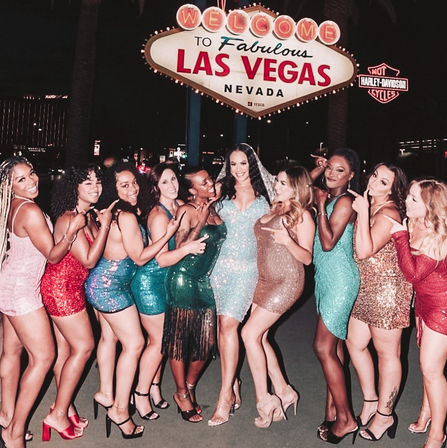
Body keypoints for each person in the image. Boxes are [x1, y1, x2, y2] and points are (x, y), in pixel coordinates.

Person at [84, 162, 179, 439]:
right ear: (113, 189)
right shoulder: (123, 216)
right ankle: (120, 410)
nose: (132, 188)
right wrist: (168, 236)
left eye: (134, 183)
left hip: (104, 282)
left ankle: (105, 393)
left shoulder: (119, 212)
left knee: (109, 339)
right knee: (135, 343)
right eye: (124, 185)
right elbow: (139, 257)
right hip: (109, 288)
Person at [0, 156, 85, 448]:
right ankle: (14, 432)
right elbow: (53, 254)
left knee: (11, 352)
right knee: (43, 358)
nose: (32, 180)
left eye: (32, 173)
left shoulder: (11, 206)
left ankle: (6, 415)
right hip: (23, 292)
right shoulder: (31, 211)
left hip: (8, 284)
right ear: (10, 186)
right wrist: (73, 230)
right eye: (21, 179)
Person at [39, 165, 115, 440]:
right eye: (87, 183)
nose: (95, 187)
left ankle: (64, 406)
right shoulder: (69, 218)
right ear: (74, 188)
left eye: (97, 182)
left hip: (70, 287)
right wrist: (106, 225)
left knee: (65, 350)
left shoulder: (87, 216)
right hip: (61, 289)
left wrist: (102, 223)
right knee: (84, 347)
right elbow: (90, 260)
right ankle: (57, 414)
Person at [130, 163, 207, 420]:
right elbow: (162, 260)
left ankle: (153, 387)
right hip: (151, 282)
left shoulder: (179, 206)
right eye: (164, 182)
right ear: (155, 187)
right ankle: (139, 394)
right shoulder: (159, 215)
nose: (172, 185)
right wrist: (188, 249)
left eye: (173, 179)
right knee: (159, 342)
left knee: (165, 340)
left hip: (169, 282)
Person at [241, 166, 315, 428]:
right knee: (259, 337)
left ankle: (265, 399)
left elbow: (307, 257)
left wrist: (288, 241)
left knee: (249, 335)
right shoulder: (273, 209)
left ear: (297, 186)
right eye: (277, 181)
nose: (277, 185)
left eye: (283, 183)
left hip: (287, 281)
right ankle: (284, 391)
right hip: (264, 280)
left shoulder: (303, 215)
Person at [345, 163, 412, 441]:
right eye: (374, 175)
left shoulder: (389, 212)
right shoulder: (369, 205)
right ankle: (371, 400)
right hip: (365, 288)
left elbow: (364, 250)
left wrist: (360, 214)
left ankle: (385, 415)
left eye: (383, 182)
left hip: (388, 291)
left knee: (388, 354)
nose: (374, 183)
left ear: (393, 190)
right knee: (354, 343)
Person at [209, 143, 273, 426]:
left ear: (252, 164)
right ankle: (233, 384)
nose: (238, 169)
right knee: (223, 330)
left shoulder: (266, 196)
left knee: (230, 327)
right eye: (233, 163)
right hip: (220, 269)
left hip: (249, 270)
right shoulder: (221, 192)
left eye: (243, 163)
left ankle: (224, 396)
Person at [162, 167, 226, 423]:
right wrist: (199, 220)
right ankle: (181, 392)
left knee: (207, 342)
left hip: (203, 281)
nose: (210, 183)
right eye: (204, 182)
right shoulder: (186, 210)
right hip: (182, 279)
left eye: (209, 179)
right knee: (181, 341)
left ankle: (188, 386)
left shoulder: (214, 208)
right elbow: (181, 247)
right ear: (191, 190)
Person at [387, 179, 447, 448]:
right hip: (424, 302)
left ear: (430, 207)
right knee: (427, 363)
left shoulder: (440, 234)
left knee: (432, 369)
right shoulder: (414, 223)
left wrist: (399, 235)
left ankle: (437, 434)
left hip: (443, 307)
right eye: (408, 196)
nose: (406, 202)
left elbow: (411, 272)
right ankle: (426, 411)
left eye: (413, 199)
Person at [311, 148, 361, 444]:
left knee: (322, 347)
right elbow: (300, 189)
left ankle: (346, 419)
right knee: (336, 348)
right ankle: (332, 410)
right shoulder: (328, 195)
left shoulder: (344, 201)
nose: (331, 173)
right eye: (329, 167)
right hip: (326, 278)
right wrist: (316, 171)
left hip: (341, 279)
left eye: (339, 170)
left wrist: (319, 207)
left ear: (351, 176)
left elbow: (328, 242)